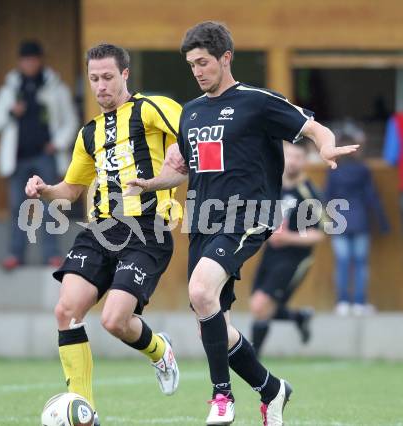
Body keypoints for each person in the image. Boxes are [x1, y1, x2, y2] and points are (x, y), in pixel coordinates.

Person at [125, 21, 358, 426]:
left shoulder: (256, 101)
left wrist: (326, 144)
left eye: (203, 62)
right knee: (212, 323)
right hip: (202, 220)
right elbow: (184, 169)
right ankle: (272, 390)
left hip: (249, 214)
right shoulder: (192, 113)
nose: (197, 71)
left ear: (225, 58)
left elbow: (312, 127)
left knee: (200, 290)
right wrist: (153, 181)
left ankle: (221, 397)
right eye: (191, 64)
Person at [25, 43, 181, 425]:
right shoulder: (89, 133)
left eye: (108, 77)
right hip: (100, 230)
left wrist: (179, 160)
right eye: (94, 79)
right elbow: (71, 189)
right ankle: (84, 412)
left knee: (115, 321)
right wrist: (45, 190)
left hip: (148, 229)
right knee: (66, 310)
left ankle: (160, 350)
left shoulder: (151, 108)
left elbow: (192, 137)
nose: (101, 86)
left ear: (125, 74)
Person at [0, 40, 78, 270]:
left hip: (45, 156)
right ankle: (15, 254)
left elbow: (70, 122)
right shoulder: (10, 88)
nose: (29, 64)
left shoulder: (55, 87)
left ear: (40, 60)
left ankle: (52, 255)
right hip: (18, 159)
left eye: (33, 59)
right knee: (18, 207)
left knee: (50, 207)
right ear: (20, 62)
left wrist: (56, 144)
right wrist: (11, 112)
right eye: (25, 60)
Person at [250, 142, 325, 358]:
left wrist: (288, 237)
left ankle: (253, 360)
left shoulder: (310, 193)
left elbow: (320, 233)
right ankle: (299, 317)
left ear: (305, 160)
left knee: (260, 305)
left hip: (295, 258)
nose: (292, 162)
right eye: (289, 156)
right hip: (270, 254)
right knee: (260, 307)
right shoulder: (272, 186)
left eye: (298, 157)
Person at [326, 133, 389, 316]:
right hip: (360, 220)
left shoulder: (333, 170)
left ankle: (343, 303)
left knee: (342, 263)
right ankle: (360, 303)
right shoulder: (363, 170)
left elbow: (327, 196)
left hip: (339, 221)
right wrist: (383, 224)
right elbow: (372, 198)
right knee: (360, 263)